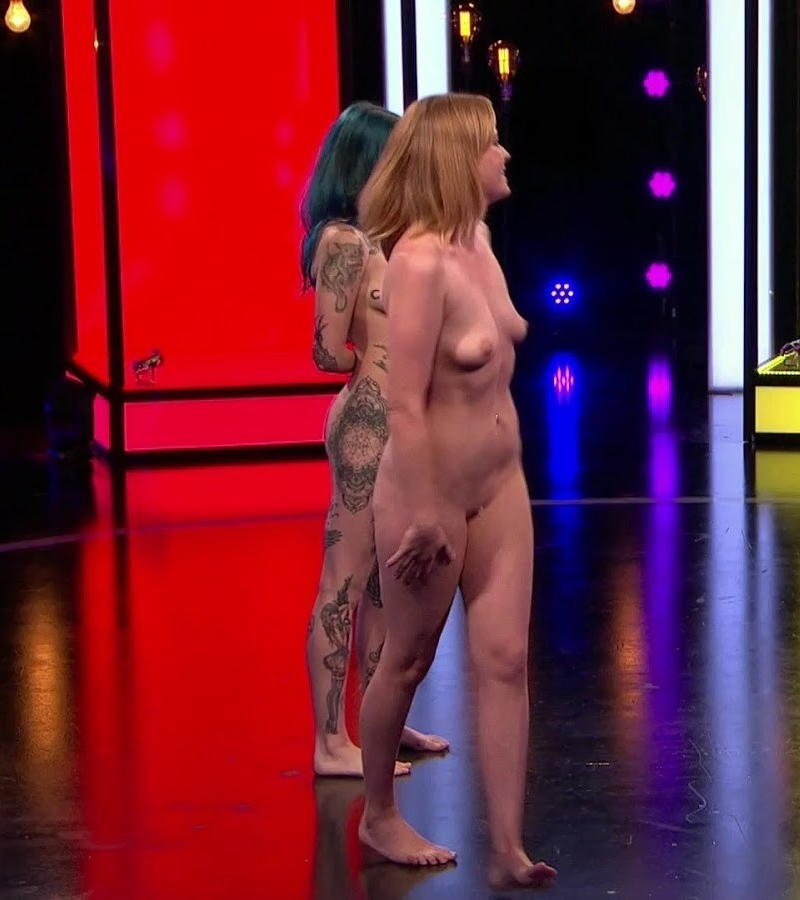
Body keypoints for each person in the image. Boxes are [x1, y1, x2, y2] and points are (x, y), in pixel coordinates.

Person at [354, 92, 556, 890]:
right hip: (426, 494)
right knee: (406, 660)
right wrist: (432, 511)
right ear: (457, 159)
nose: (505, 155)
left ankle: (507, 847)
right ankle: (377, 815)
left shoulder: (479, 240)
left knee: (505, 659)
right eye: (492, 143)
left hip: (501, 483)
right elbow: (404, 403)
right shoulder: (419, 261)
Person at [299, 101, 448, 779]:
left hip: (400, 423)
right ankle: (332, 742)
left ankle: (380, 723)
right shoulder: (343, 244)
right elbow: (327, 352)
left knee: (388, 583)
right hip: (366, 421)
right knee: (347, 580)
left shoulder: (384, 241)